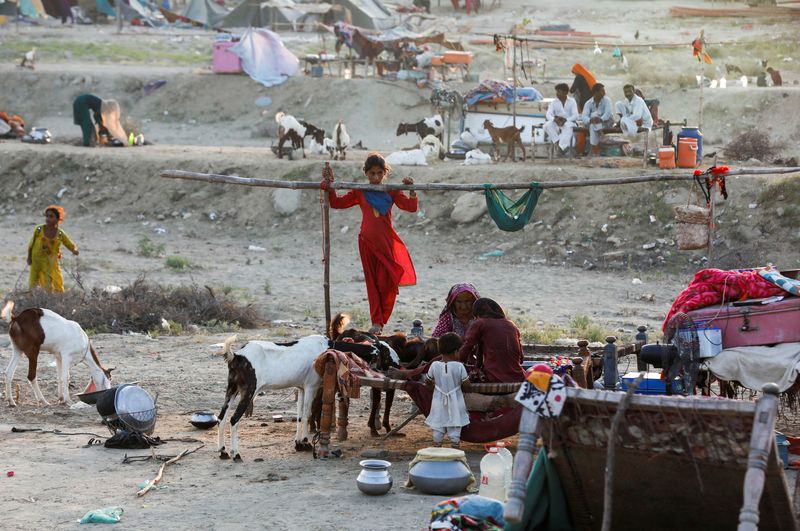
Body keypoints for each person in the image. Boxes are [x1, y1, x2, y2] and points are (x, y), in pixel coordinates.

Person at [322, 154, 418, 334]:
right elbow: (336, 203)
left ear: (385, 173)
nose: (375, 178)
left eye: (379, 173)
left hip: (385, 243)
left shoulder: (392, 190)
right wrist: (330, 185)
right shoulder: (360, 191)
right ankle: (377, 323)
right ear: (365, 173)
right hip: (366, 242)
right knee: (372, 284)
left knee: (387, 283)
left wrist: (411, 190)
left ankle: (381, 320)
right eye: (372, 173)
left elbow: (411, 207)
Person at [458, 298, 525, 384]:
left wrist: (452, 361)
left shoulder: (480, 323)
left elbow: (466, 348)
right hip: (518, 377)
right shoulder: (512, 325)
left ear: (478, 314)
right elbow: (521, 359)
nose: (475, 319)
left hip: (493, 378)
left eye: (476, 317)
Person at [425, 332, 470, 448]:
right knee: (455, 425)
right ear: (456, 351)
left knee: (438, 425)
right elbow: (467, 385)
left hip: (438, 401)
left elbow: (428, 381)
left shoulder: (434, 365)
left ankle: (437, 447)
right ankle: (455, 449)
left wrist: (436, 388)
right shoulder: (459, 366)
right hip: (456, 402)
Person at [27, 205, 79, 293]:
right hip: (36, 262)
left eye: (51, 216)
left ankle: (50, 302)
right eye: (46, 216)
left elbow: (68, 243)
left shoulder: (60, 234)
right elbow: (31, 245)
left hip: (49, 264)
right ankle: (32, 302)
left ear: (58, 219)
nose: (48, 218)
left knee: (48, 286)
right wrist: (29, 257)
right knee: (32, 284)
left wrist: (74, 250)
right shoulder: (39, 229)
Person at [544, 83, 579, 153]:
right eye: (556, 91)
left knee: (568, 126)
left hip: (569, 122)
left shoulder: (572, 101)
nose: (556, 93)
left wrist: (566, 120)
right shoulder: (554, 102)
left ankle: (561, 147)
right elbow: (548, 114)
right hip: (558, 123)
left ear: (565, 92)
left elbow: (575, 115)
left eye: (558, 91)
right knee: (547, 125)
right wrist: (554, 119)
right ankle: (558, 143)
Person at [581, 83, 614, 156]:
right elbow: (584, 116)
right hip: (594, 124)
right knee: (593, 123)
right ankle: (600, 136)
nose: (604, 93)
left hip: (607, 122)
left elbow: (608, 114)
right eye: (602, 91)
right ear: (596, 92)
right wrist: (590, 120)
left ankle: (593, 149)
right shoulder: (588, 103)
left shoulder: (607, 100)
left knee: (594, 118)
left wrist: (600, 119)